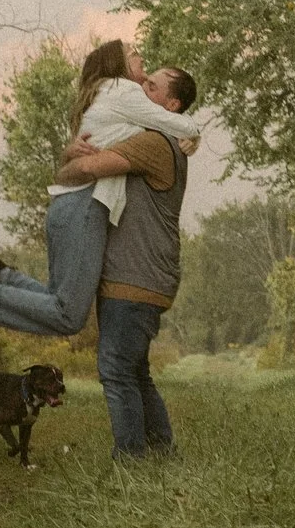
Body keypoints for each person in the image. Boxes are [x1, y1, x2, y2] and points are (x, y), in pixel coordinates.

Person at [0, 40, 199, 336]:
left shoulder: (109, 96)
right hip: (86, 207)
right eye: (136, 57)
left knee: (58, 301)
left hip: (70, 205)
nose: (144, 68)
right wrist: (194, 134)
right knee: (68, 316)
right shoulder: (124, 90)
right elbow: (174, 124)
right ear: (118, 65)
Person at [49, 115, 193, 459]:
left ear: (171, 104)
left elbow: (80, 172)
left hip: (133, 279)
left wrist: (72, 160)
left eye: (152, 86)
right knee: (135, 371)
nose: (141, 88)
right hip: (141, 277)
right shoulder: (161, 142)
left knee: (115, 370)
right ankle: (161, 450)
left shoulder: (154, 142)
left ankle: (130, 460)